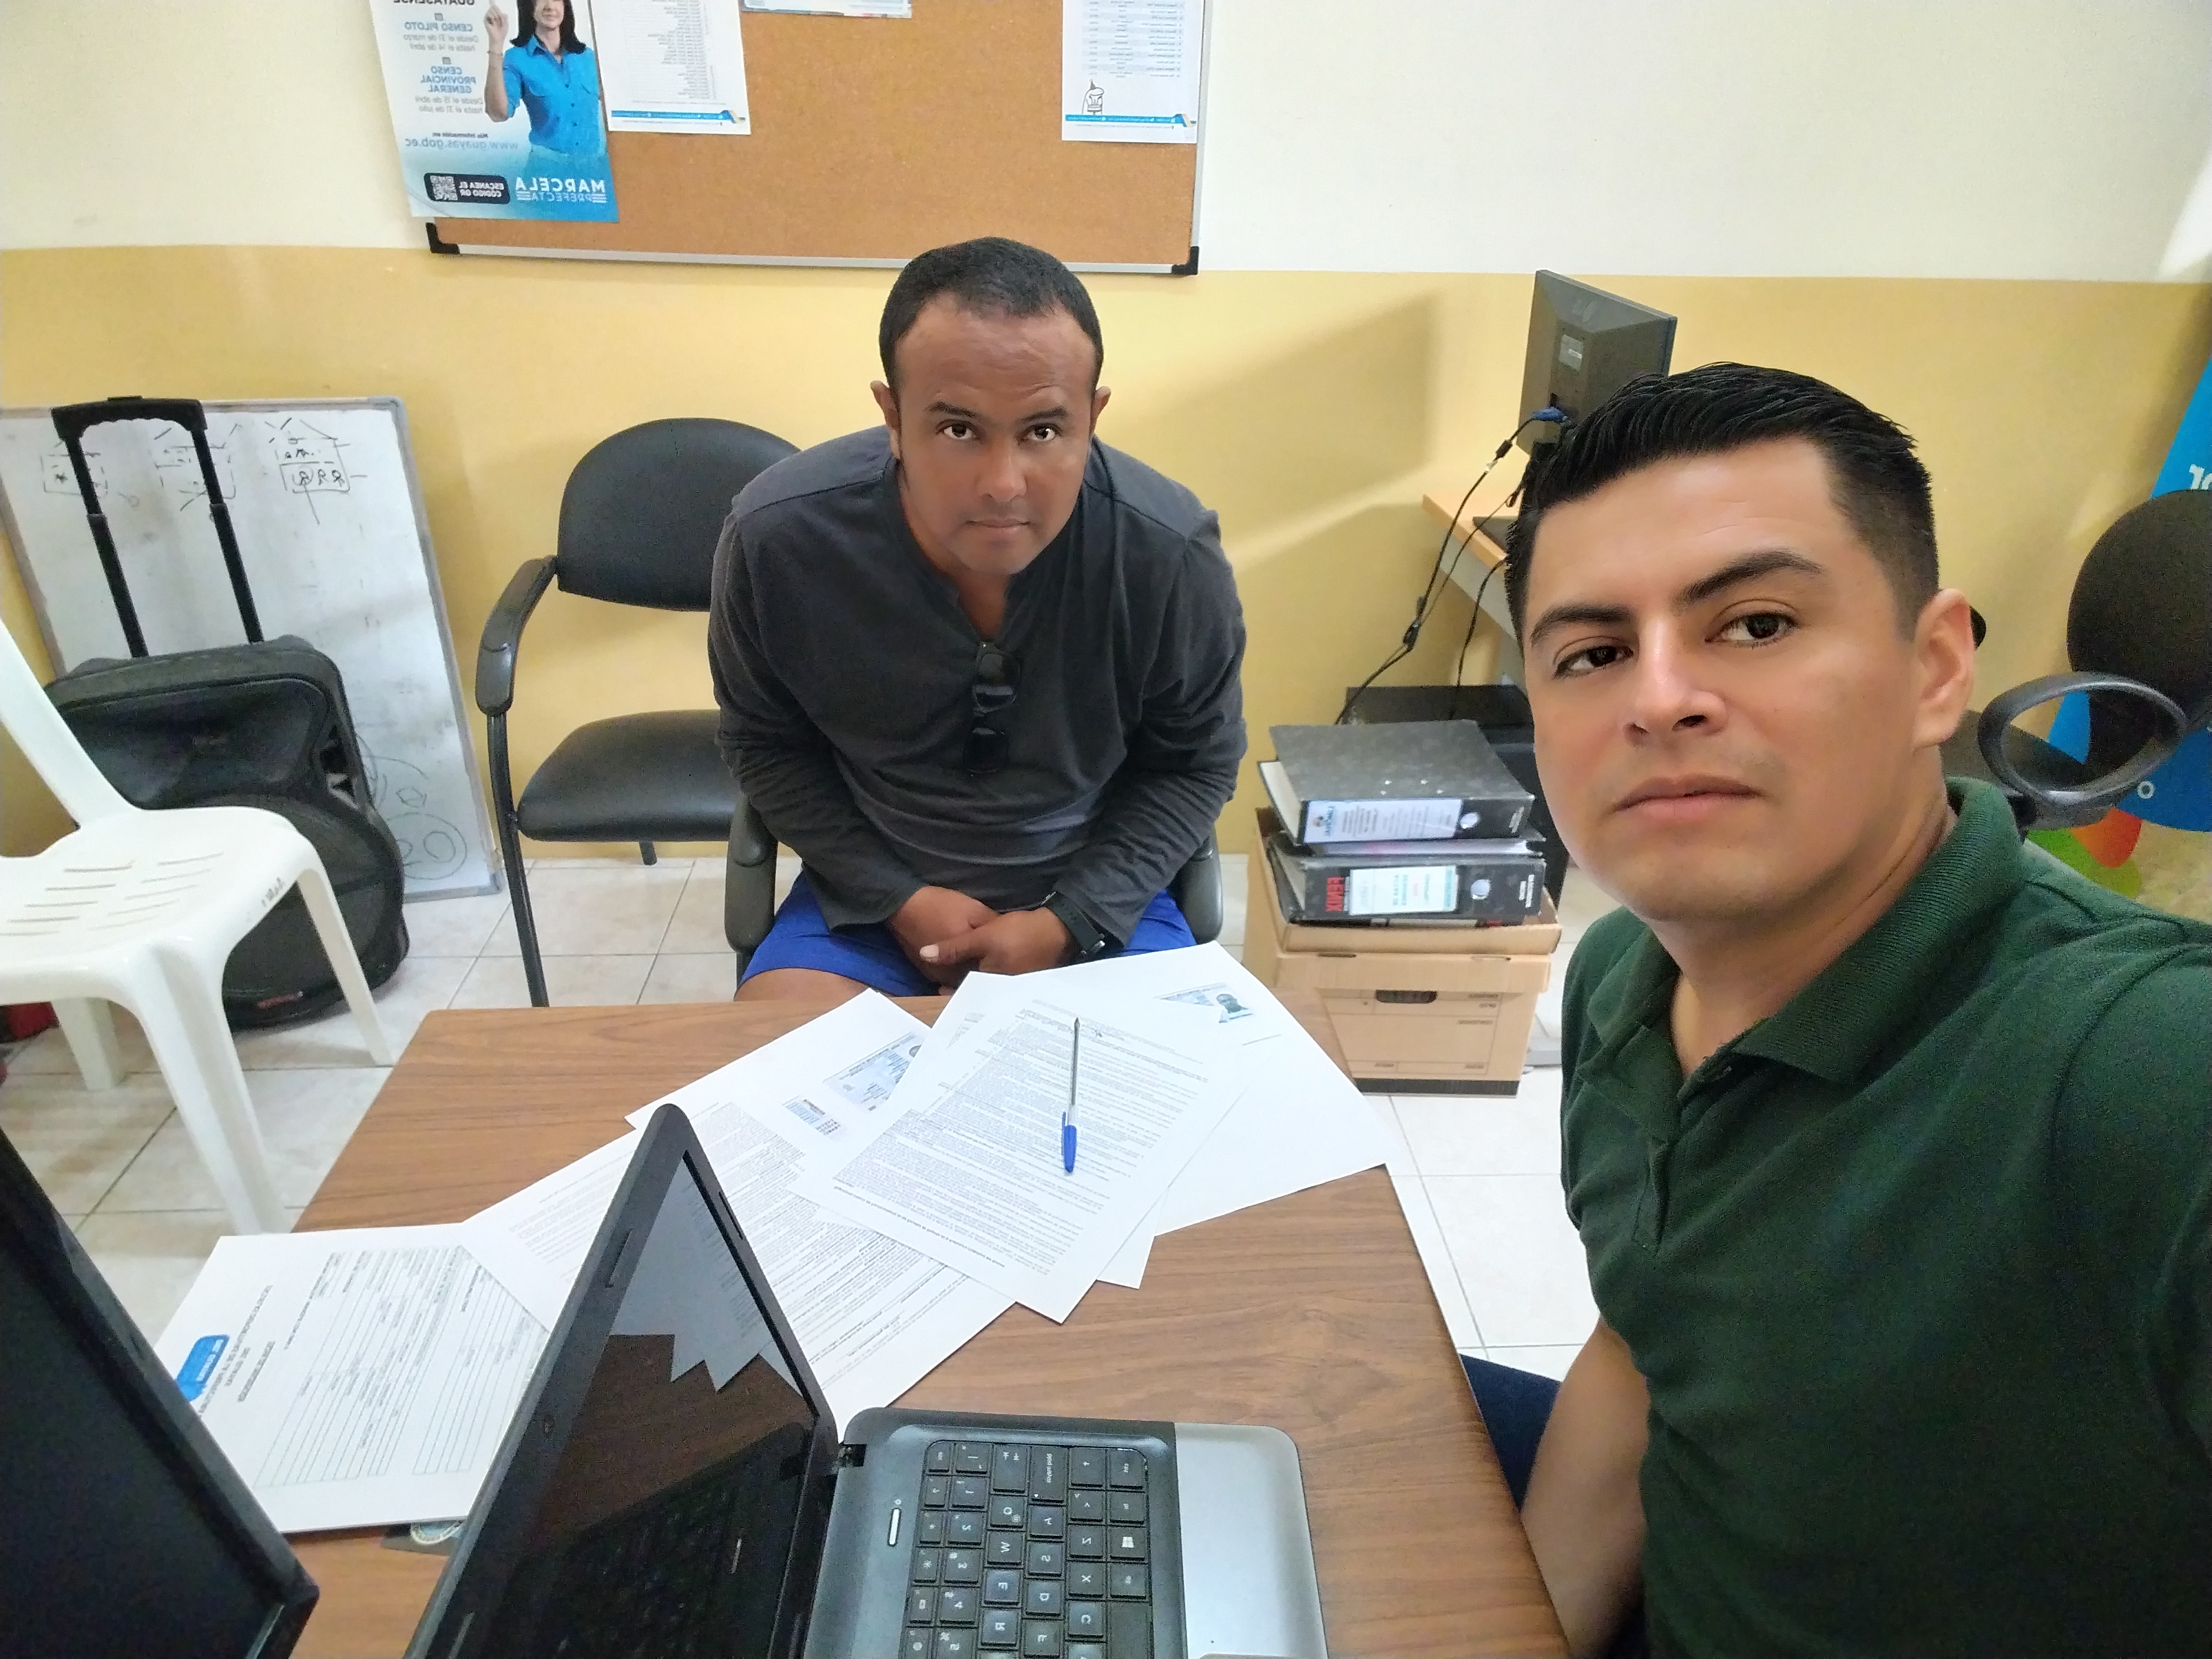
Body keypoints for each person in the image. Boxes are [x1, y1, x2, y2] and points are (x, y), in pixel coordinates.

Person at [1490, 362, 2211, 1657]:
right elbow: (1648, 1344)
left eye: (1754, 623)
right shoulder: (1620, 981)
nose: (1657, 697)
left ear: (1934, 669)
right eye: (1592, 653)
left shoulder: (2141, 1074)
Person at [708, 237, 1245, 1001]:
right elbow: (764, 744)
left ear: (1092, 417)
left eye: (1043, 432)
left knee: (1160, 1078)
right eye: (959, 430)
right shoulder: (778, 539)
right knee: (781, 1064)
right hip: (869, 902)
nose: (1003, 485)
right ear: (893, 416)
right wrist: (898, 899)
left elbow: (1194, 764)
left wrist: (1068, 921)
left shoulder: (1169, 554)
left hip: (1095, 901)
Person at [483, 0, 606, 169]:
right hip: (547, 171)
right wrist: (496, 45)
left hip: (595, 172)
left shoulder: (588, 57)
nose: (550, 6)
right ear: (529, 7)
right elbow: (499, 113)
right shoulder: (518, 58)